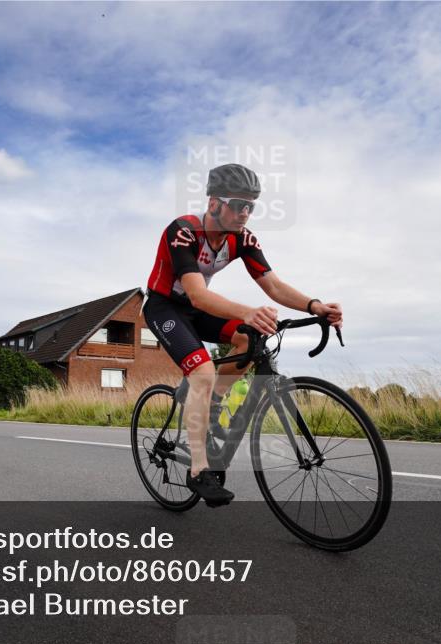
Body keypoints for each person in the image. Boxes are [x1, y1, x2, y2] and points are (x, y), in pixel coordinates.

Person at [144, 163, 343, 506]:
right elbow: (197, 295)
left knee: (248, 339)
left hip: (196, 309)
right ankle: (198, 471)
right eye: (238, 205)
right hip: (165, 307)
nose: (245, 213)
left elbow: (274, 285)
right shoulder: (184, 231)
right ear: (213, 203)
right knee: (203, 372)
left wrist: (314, 306)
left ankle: (212, 405)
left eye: (251, 206)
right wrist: (247, 311)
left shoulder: (242, 239)